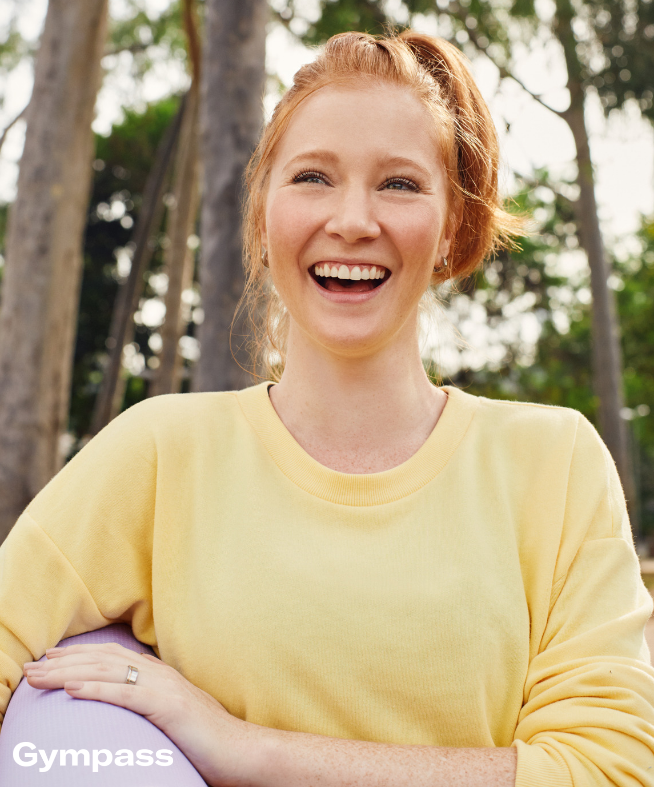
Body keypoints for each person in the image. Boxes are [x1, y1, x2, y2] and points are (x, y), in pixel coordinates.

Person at [1, 29, 652, 788]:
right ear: (263, 211)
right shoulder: (160, 452)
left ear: (450, 227)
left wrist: (243, 748)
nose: (351, 219)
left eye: (399, 184)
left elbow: (608, 770)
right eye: (312, 177)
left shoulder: (554, 464)